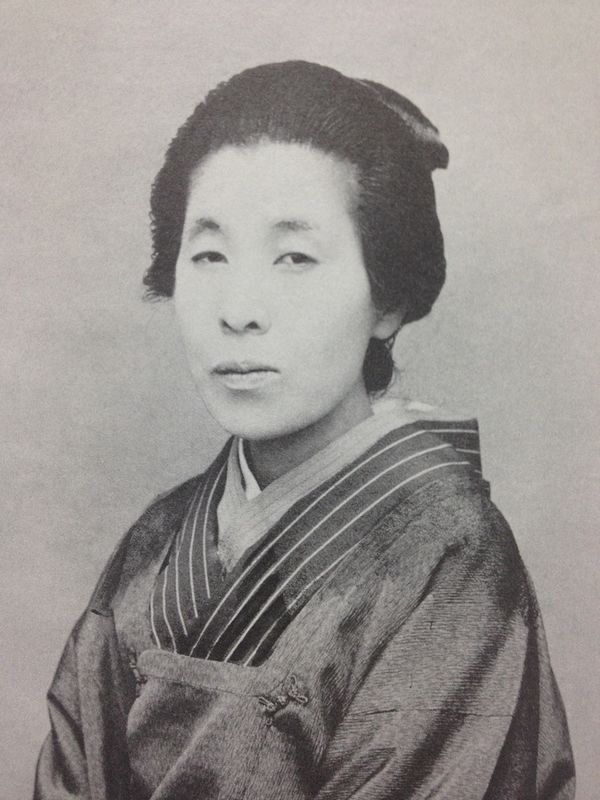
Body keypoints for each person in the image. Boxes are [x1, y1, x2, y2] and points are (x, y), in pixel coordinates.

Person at [34, 61, 574, 799]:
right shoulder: (158, 544)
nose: (239, 309)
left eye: (295, 257)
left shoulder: (450, 556)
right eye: (210, 255)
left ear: (387, 299)